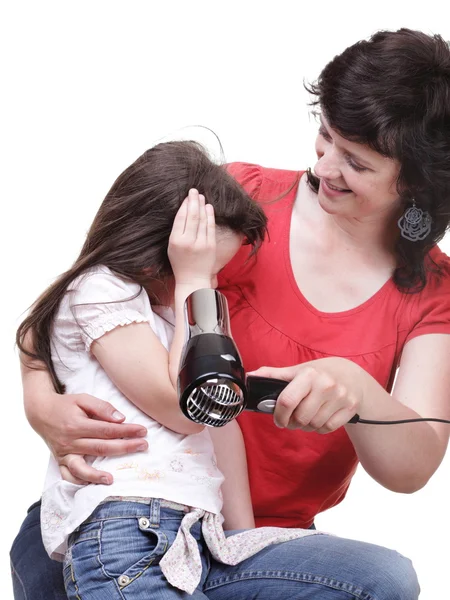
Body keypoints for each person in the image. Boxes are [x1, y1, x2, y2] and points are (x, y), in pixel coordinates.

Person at [12, 26, 450, 598]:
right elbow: (80, 295)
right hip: (125, 518)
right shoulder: (237, 203)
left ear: (416, 181)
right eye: (324, 137)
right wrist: (41, 404)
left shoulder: (430, 291)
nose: (323, 168)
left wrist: (359, 392)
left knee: (385, 581)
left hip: (248, 549)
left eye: (357, 163)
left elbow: (411, 467)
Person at [13, 141, 325, 599]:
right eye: (194, 268)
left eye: (216, 272)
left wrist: (241, 537)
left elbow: (221, 424)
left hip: (192, 532)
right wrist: (194, 284)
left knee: (363, 578)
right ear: (149, 255)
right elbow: (184, 409)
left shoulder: (174, 318)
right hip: (126, 527)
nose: (211, 283)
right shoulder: (101, 290)